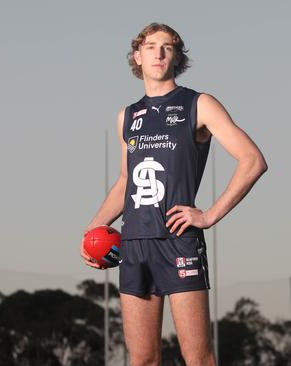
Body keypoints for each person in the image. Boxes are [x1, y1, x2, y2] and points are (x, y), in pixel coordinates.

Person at [79, 22, 268, 366]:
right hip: (134, 243)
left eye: (167, 46)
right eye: (151, 46)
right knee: (142, 359)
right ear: (137, 56)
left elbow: (253, 160)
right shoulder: (128, 116)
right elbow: (125, 182)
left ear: (177, 56)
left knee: (198, 358)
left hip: (178, 239)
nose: (159, 53)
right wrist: (93, 230)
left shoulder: (200, 104)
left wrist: (209, 215)